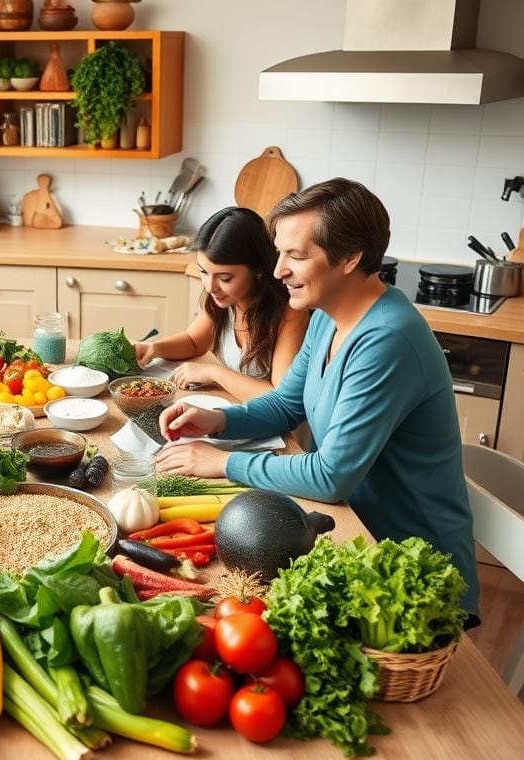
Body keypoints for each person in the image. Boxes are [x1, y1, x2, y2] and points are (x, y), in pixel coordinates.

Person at [155, 178, 480, 618]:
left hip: (411, 571)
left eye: (297, 255)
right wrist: (219, 423)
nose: (277, 270)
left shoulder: (387, 339)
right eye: (279, 252)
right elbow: (288, 404)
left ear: (350, 257)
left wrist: (221, 461)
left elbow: (331, 476)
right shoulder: (328, 315)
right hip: (352, 533)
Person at [133, 207, 308, 402]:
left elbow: (279, 397)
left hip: (279, 427)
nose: (210, 287)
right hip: (236, 406)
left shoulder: (290, 313)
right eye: (204, 272)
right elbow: (194, 341)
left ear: (258, 269)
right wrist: (154, 348)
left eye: (225, 278)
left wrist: (213, 373)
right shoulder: (224, 298)